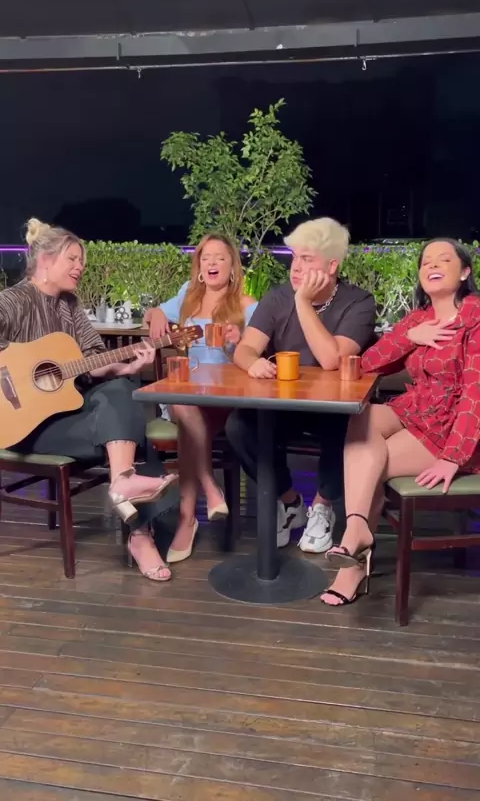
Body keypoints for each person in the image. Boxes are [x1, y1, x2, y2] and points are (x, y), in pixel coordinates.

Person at [0, 219, 178, 582]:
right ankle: (140, 535)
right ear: (45, 260)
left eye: (82, 260)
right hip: (24, 427)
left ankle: (123, 483)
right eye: (73, 259)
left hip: (68, 413)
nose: (80, 267)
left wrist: (127, 365)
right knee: (136, 434)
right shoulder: (13, 300)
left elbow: (95, 361)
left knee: (122, 387)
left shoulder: (71, 305)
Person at [321, 237, 480, 606]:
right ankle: (357, 529)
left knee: (366, 461)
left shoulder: (475, 319)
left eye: (444, 259)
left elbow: (476, 393)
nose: (432, 265)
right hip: (417, 412)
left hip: (457, 431)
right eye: (426, 261)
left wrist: (453, 457)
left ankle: (353, 562)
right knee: (363, 418)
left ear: (465, 272)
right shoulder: (419, 318)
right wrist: (410, 336)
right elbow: (368, 363)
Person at [226, 217, 376, 551]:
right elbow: (245, 348)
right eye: (294, 258)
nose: (295, 267)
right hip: (284, 403)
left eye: (307, 259)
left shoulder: (359, 302)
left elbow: (331, 359)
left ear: (332, 266)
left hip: (333, 408)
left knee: (348, 424)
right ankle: (290, 501)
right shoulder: (277, 297)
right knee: (239, 425)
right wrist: (252, 363)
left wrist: (303, 303)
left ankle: (322, 507)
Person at [144, 233, 256, 563]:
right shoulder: (187, 297)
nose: (212, 263)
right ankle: (209, 487)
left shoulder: (247, 305)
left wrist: (237, 342)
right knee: (182, 402)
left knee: (187, 422)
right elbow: (152, 313)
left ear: (232, 266)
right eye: (206, 258)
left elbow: (259, 353)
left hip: (226, 399)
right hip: (189, 393)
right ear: (199, 266)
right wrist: (157, 314)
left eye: (220, 258)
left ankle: (187, 518)